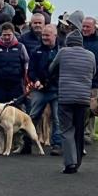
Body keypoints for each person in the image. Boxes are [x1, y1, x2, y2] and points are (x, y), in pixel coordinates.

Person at [49, 32, 96, 174]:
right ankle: (78, 161)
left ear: (68, 42)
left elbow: (52, 68)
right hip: (83, 99)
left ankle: (70, 164)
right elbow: (93, 73)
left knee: (67, 130)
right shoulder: (91, 55)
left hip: (66, 97)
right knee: (79, 130)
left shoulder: (63, 52)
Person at [27, 24, 62, 156]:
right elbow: (31, 70)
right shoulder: (36, 52)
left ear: (55, 35)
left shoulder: (62, 52)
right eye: (43, 35)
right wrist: (36, 80)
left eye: (47, 35)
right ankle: (27, 142)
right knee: (33, 116)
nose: (44, 38)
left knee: (57, 118)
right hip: (39, 90)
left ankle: (57, 144)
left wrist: (51, 83)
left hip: (56, 90)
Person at [0, 22, 29, 103]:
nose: (6, 37)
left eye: (9, 34)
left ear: (13, 33)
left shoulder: (20, 47)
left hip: (16, 84)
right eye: (4, 35)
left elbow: (26, 61)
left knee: (16, 108)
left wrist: (26, 70)